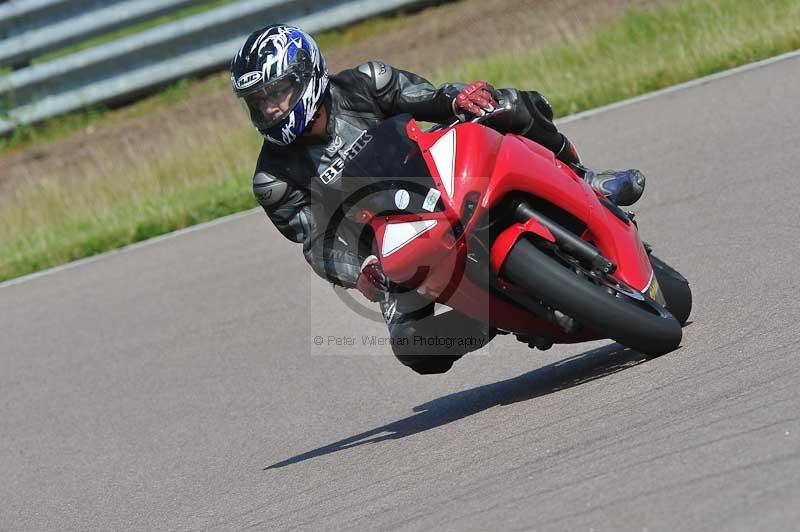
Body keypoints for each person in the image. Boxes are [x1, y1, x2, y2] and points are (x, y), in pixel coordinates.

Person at [231, 24, 645, 375]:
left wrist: (458, 99)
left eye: (277, 93)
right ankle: (491, 316)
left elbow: (427, 98)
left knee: (508, 104)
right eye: (259, 103)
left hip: (443, 177)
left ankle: (585, 177)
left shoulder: (366, 83)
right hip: (391, 246)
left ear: (307, 76)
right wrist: (360, 269)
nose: (270, 109)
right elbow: (316, 243)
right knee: (413, 348)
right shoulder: (274, 180)